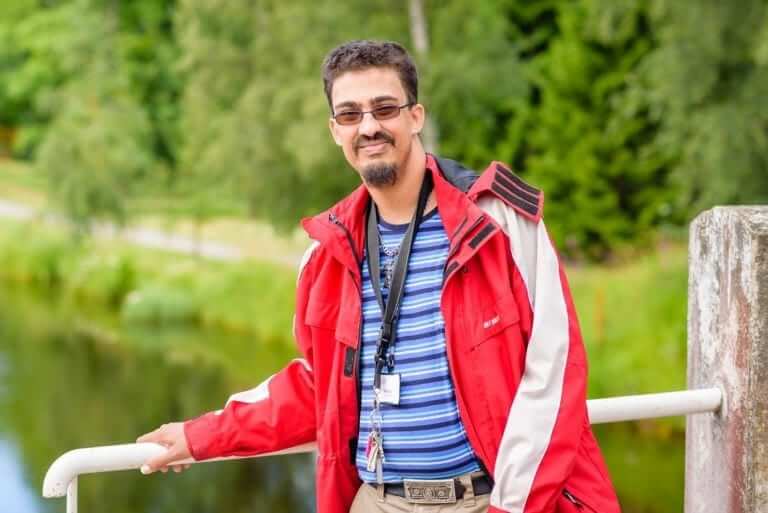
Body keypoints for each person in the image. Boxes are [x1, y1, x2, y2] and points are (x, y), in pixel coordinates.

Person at [137, 40, 621, 513]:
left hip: (490, 498)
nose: (368, 126)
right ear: (334, 130)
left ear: (416, 117)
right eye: (350, 114)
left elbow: (554, 376)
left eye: (384, 108)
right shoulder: (326, 254)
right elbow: (318, 387)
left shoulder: (499, 223)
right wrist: (200, 435)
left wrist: (510, 506)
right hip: (377, 501)